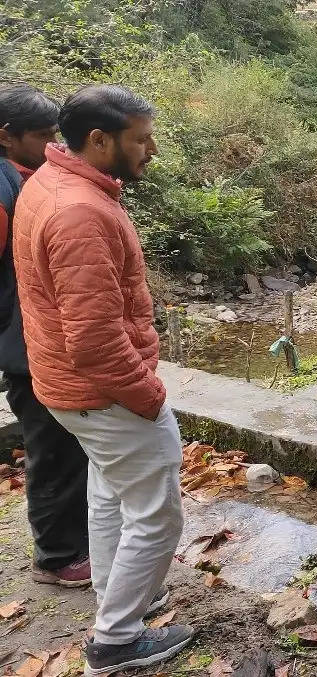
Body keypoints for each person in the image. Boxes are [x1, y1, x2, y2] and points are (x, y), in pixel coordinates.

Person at [12, 84, 192, 673]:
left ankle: (121, 596)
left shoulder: (49, 182)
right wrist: (148, 394)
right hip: (104, 391)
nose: (152, 150)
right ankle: (116, 639)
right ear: (99, 140)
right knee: (158, 510)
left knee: (111, 493)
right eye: (140, 140)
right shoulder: (80, 211)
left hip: (67, 388)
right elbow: (93, 337)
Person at [0, 84, 93, 589]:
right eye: (42, 136)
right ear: (6, 137)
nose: (52, 145)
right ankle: (58, 557)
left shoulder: (26, 176)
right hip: (24, 342)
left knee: (65, 448)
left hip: (29, 335)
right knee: (52, 449)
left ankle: (72, 543)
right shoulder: (4, 186)